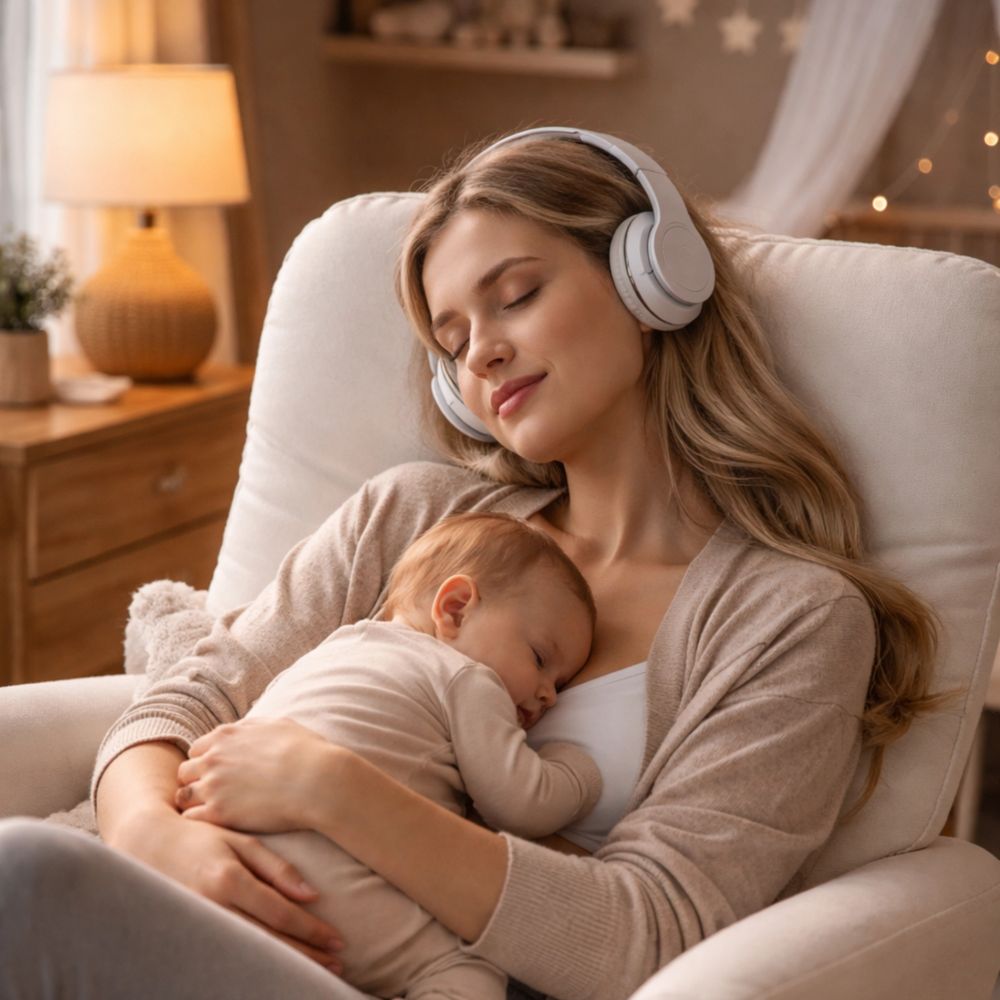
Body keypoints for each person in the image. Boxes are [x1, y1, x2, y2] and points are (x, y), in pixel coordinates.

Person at [0, 125, 952, 1000]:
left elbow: (651, 933)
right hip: (197, 926)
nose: (482, 356)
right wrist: (153, 839)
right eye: (452, 342)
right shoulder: (416, 518)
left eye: (518, 297)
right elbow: (188, 699)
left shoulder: (793, 618)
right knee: (32, 873)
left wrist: (334, 789)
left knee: (28, 877)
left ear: (649, 278)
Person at [186, 509, 601, 1000]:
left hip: (228, 859)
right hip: (329, 882)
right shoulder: (466, 678)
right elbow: (522, 803)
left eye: (560, 684)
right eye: (539, 658)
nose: (549, 695)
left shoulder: (335, 647)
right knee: (465, 971)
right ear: (456, 609)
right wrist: (578, 770)